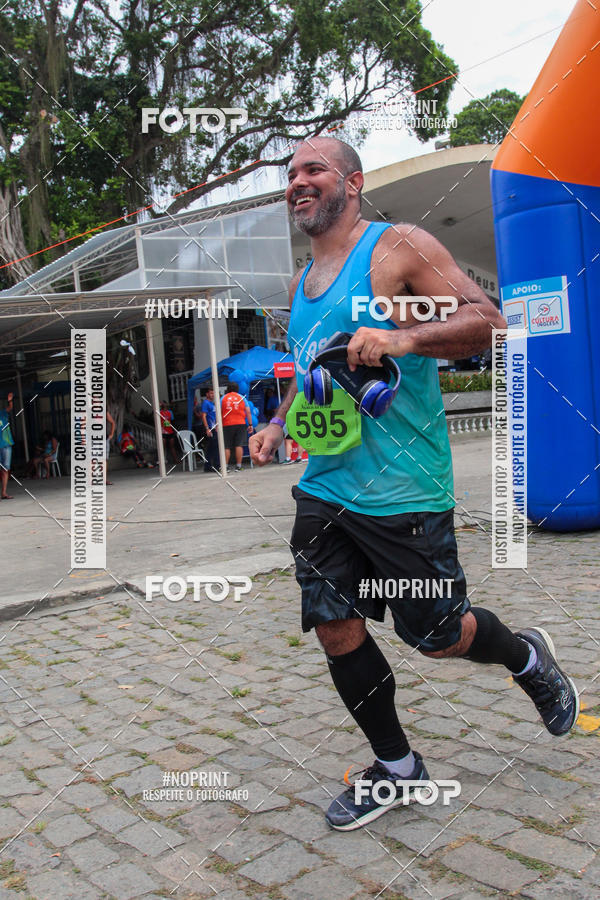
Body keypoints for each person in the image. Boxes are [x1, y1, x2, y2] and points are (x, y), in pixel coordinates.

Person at [250, 136, 578, 832]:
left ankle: (524, 655)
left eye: (313, 169)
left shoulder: (397, 247)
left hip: (407, 492)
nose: (297, 182)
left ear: (353, 181)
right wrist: (279, 425)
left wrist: (401, 338)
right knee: (333, 624)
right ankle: (397, 768)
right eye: (291, 174)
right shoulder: (303, 282)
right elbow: (314, 367)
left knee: (435, 634)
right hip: (327, 487)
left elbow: (487, 321)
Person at [221, 382, 253, 472]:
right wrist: (250, 425)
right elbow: (248, 412)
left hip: (226, 424)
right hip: (240, 424)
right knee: (239, 445)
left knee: (226, 446)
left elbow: (218, 412)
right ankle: (238, 466)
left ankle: (225, 467)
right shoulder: (242, 398)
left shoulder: (223, 398)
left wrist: (217, 424)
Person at [200, 388, 218, 473]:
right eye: (211, 393)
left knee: (211, 448)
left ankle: (207, 466)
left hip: (214, 428)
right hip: (210, 428)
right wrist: (207, 429)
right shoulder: (206, 403)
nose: (212, 395)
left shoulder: (212, 403)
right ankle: (216, 466)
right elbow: (203, 416)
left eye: (213, 393)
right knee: (215, 447)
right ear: (207, 394)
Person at [0, 392, 14, 499]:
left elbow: (10, 407)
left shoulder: (3, 413)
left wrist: (9, 400)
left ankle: (4, 493)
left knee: (5, 469)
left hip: (6, 445)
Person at [159, 400, 180, 466]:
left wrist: (175, 430)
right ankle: (161, 460)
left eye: (164, 404)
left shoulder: (170, 412)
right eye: (162, 404)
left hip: (170, 431)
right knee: (162, 447)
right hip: (163, 432)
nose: (164, 405)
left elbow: (173, 422)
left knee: (172, 446)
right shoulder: (159, 412)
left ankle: (175, 459)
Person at [106, 410, 115, 484]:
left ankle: (104, 479)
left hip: (104, 439)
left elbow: (112, 422)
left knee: (104, 460)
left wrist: (111, 434)